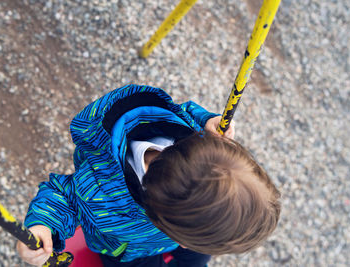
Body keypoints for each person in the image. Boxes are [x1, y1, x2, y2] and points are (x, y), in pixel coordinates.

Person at [17, 84, 281, 266]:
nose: (187, 246)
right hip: (128, 249)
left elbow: (188, 111)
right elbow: (62, 196)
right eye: (188, 242)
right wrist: (44, 225)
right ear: (159, 219)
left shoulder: (192, 137)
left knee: (198, 258)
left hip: (175, 228)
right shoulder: (99, 193)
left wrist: (206, 121)